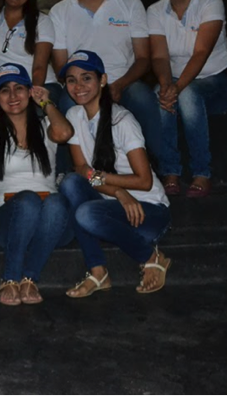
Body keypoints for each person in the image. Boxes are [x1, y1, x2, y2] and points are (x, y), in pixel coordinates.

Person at [0, 63, 74, 306]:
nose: (12, 96)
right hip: (8, 221)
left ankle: (29, 277)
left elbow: (65, 134)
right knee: (29, 200)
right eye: (4, 90)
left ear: (29, 92)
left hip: (51, 223)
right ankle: (10, 277)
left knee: (56, 201)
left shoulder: (46, 127)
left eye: (19, 88)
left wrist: (46, 103)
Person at [58, 50, 172, 297]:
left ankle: (151, 257)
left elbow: (144, 181)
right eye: (71, 80)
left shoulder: (122, 121)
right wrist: (119, 192)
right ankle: (98, 272)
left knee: (86, 213)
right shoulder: (74, 115)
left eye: (86, 78)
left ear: (102, 80)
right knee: (70, 183)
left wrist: (106, 181)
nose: (78, 86)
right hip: (113, 206)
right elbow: (81, 170)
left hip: (147, 212)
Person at [49, 0, 161, 161]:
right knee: (67, 104)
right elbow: (61, 66)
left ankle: (158, 167)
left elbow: (143, 58)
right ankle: (72, 170)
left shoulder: (131, 4)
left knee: (143, 97)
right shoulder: (59, 12)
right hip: (81, 85)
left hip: (124, 83)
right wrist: (89, 88)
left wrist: (118, 85)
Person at [148, 0, 227, 197]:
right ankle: (170, 172)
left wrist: (177, 88)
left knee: (188, 94)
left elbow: (201, 53)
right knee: (158, 94)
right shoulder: (154, 11)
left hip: (221, 81)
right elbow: (159, 57)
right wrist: (166, 86)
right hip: (179, 83)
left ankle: (202, 172)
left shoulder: (210, 2)